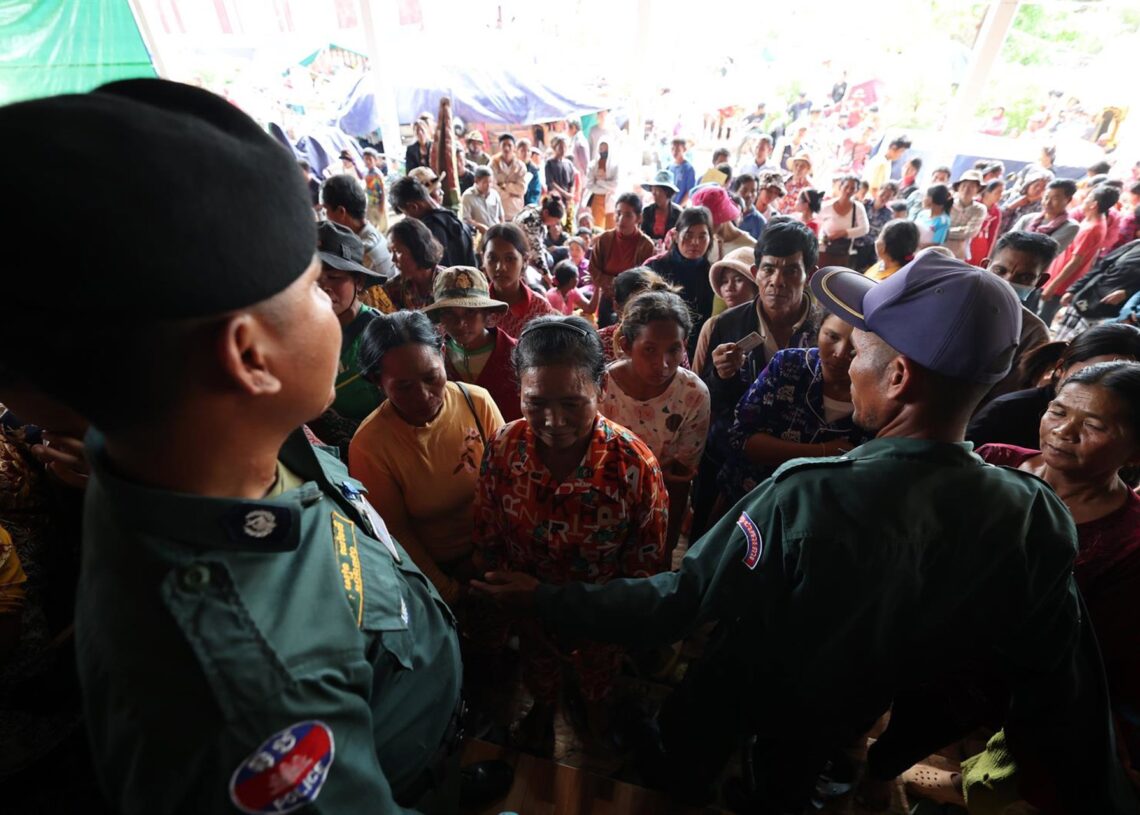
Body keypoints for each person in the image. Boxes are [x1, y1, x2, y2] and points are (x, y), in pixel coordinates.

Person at [472, 252, 1139, 814]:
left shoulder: (806, 496)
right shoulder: (1033, 516)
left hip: (747, 694)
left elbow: (681, 598)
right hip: (852, 718)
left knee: (687, 773)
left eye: (860, 348)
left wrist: (542, 598)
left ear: (899, 376)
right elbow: (1062, 693)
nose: (845, 361)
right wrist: (897, 750)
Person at [0, 78, 491, 814]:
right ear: (250, 356)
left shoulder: (190, 436)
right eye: (315, 287)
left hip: (413, 697)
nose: (335, 306)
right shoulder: (257, 696)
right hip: (388, 773)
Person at [473, 316, 669, 754]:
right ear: (519, 392)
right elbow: (488, 534)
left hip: (601, 617)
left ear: (600, 388)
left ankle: (593, 711)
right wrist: (512, 603)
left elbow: (645, 566)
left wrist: (604, 618)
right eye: (535, 402)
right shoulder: (504, 448)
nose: (553, 421)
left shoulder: (634, 466)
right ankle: (544, 708)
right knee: (538, 669)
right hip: (527, 612)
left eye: (572, 403)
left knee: (597, 680)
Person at [950, 361, 1140, 808]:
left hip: (1019, 697)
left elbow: (1099, 658)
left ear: (1135, 452)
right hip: (933, 653)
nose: (1063, 432)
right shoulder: (991, 462)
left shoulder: (1130, 540)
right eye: (1057, 412)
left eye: (1093, 425)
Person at [349, 310, 504, 607]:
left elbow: (507, 485)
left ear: (443, 354)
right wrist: (449, 594)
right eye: (403, 387)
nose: (423, 395)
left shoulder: (477, 402)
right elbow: (397, 536)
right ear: (377, 381)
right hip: (435, 573)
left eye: (431, 377)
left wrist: (490, 557)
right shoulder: (369, 445)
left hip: (498, 553)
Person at [693, 219, 824, 536]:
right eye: (769, 269)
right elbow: (700, 402)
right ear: (755, 272)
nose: (777, 281)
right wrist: (722, 377)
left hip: (800, 477)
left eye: (791, 270)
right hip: (725, 470)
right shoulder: (722, 327)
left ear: (809, 274)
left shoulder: (827, 330)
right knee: (709, 553)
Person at [718, 310, 871, 505]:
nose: (840, 353)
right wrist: (823, 452)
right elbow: (740, 439)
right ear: (819, 330)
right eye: (832, 336)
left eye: (854, 347)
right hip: (744, 500)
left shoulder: (877, 396)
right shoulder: (788, 365)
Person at [599, 291, 710, 555]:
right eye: (649, 349)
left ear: (684, 345)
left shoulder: (693, 394)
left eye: (674, 349)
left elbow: (680, 479)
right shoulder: (601, 387)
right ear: (626, 345)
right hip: (601, 500)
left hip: (661, 504)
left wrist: (667, 545)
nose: (663, 364)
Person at [968, 322, 1140, 449]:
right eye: (1092, 374)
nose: (1063, 432)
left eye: (1094, 426)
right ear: (1061, 369)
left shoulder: (1131, 433)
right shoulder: (1008, 411)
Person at [426, 266, 521, 423]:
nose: (460, 323)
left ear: (486, 312)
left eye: (470, 312)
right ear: (440, 317)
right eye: (449, 313)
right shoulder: (434, 359)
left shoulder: (517, 354)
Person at [981, 230, 1058, 401]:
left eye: (1024, 277)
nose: (1007, 282)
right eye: (1000, 270)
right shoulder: (953, 303)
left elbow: (1006, 394)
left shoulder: (1033, 334)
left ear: (1040, 282)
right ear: (984, 266)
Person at [1039, 185, 1119, 325]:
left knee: (1042, 317)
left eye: (1087, 199)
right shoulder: (1092, 220)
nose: (1084, 202)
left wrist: (1053, 285)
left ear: (1094, 204)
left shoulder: (1092, 228)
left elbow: (1076, 261)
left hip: (1060, 283)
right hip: (1055, 277)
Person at [647, 206, 714, 354]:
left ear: (710, 239)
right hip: (656, 342)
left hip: (696, 349)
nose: (695, 242)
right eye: (688, 235)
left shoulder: (712, 275)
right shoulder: (654, 267)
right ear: (676, 236)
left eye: (702, 236)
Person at [591, 192, 656, 326]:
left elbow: (646, 279)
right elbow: (593, 268)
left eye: (627, 215)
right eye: (618, 213)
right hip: (607, 298)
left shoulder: (646, 246)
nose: (620, 219)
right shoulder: (605, 239)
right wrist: (612, 286)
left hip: (633, 303)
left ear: (638, 218)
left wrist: (615, 285)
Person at [483, 222, 556, 338]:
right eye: (493, 258)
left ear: (525, 260)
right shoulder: (475, 307)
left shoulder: (540, 309)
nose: (500, 267)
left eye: (510, 259)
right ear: (483, 260)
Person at [321, 173, 397, 281]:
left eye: (326, 210)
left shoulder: (361, 251)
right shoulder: (372, 234)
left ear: (341, 212)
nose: (325, 217)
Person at [390, 176, 477, 268]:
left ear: (413, 207)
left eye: (406, 214)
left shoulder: (426, 233)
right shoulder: (455, 219)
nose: (407, 218)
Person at [384, 217, 443, 311]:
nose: (393, 259)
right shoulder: (393, 289)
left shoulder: (450, 282)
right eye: (391, 252)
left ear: (418, 249)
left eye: (398, 252)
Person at [692, 185, 756, 264]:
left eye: (707, 220)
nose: (703, 225)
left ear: (722, 215)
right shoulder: (704, 241)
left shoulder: (750, 247)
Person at [1013, 178, 1079, 253]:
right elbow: (1007, 242)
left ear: (1068, 200)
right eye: (1046, 197)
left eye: (1055, 199)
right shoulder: (1027, 218)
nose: (1047, 203)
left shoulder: (1070, 227)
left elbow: (1045, 252)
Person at [818, 174, 869, 267]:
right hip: (824, 248)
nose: (849, 190)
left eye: (852, 188)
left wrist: (844, 233)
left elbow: (864, 229)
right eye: (846, 186)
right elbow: (818, 225)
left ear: (856, 190)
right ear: (841, 187)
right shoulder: (826, 205)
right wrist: (824, 237)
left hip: (843, 251)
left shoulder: (858, 207)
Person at [945, 170, 988, 260]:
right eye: (964, 185)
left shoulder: (979, 209)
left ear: (978, 190)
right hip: (940, 248)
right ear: (958, 187)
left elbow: (970, 231)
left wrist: (944, 232)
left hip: (958, 255)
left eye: (971, 186)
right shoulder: (948, 203)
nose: (966, 189)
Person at [998, 171, 1051, 236]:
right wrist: (1013, 206)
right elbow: (998, 215)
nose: (1039, 189)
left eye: (1043, 187)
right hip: (1000, 235)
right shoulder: (1016, 197)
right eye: (1036, 185)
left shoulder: (1044, 205)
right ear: (1028, 185)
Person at [584, 139, 620, 230]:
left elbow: (615, 185)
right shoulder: (592, 165)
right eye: (601, 148)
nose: (603, 151)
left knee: (611, 229)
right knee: (597, 228)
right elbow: (590, 185)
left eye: (605, 149)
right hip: (596, 200)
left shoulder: (615, 166)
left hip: (611, 200)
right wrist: (607, 187)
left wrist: (600, 182)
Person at [969, 179, 1006, 266]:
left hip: (981, 245)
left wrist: (988, 256)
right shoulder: (973, 204)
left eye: (1001, 193)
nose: (1000, 196)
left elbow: (993, 234)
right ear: (987, 192)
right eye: (998, 192)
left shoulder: (996, 211)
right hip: (968, 240)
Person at [639, 170, 683, 244]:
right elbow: (642, 234)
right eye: (653, 190)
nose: (654, 194)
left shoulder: (678, 213)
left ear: (667, 192)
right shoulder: (647, 211)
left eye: (657, 190)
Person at [490, 133, 527, 220]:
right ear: (500, 147)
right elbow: (492, 187)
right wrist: (511, 193)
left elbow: (522, 189)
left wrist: (503, 185)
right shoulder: (493, 164)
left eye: (509, 145)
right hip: (498, 209)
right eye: (504, 145)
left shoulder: (520, 166)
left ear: (514, 147)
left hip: (516, 209)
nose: (507, 148)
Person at [460, 166, 504, 236]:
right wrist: (480, 226)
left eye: (490, 182)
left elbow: (501, 217)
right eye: (485, 182)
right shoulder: (467, 196)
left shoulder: (494, 194)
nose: (489, 185)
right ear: (476, 181)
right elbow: (466, 220)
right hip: (479, 235)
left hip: (496, 234)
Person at [732, 173, 767, 241]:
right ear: (736, 191)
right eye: (744, 190)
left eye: (753, 191)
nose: (749, 195)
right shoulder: (726, 215)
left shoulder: (760, 222)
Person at [544, 135, 577, 208]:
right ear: (554, 148)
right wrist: (565, 194)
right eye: (560, 147)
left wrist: (570, 195)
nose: (563, 150)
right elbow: (551, 183)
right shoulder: (549, 163)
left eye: (565, 147)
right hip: (555, 199)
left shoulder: (569, 164)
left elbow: (572, 183)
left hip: (567, 199)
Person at [362, 146, 389, 232]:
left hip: (379, 202)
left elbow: (383, 190)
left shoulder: (378, 174)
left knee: (383, 226)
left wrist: (382, 205)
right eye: (366, 159)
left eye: (370, 159)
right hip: (370, 202)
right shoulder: (366, 173)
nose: (368, 162)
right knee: (371, 224)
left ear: (375, 160)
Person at [669, 137, 696, 205]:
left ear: (684, 150)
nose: (674, 152)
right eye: (672, 149)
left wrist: (679, 207)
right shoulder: (669, 167)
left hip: (680, 207)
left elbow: (689, 191)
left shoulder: (689, 169)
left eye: (678, 150)